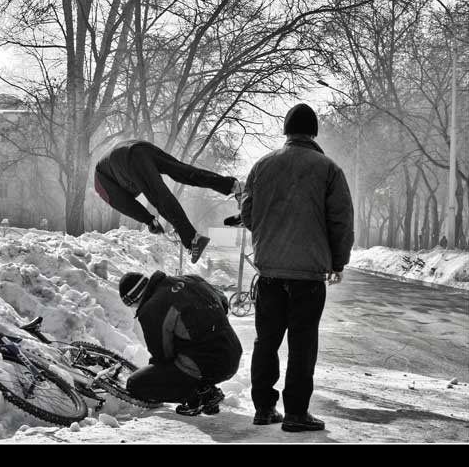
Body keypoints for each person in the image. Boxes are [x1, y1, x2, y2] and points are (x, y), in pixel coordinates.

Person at [239, 103, 354, 432]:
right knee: (302, 345)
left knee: (266, 341)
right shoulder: (329, 169)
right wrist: (338, 261)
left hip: (270, 274)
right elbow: (340, 220)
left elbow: (248, 213)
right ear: (314, 132)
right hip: (309, 277)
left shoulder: (262, 166)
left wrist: (268, 236)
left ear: (286, 131)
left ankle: (263, 409)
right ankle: (296, 414)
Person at [94, 139, 243, 263]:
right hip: (140, 146)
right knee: (184, 172)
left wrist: (148, 220)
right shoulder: (106, 169)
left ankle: (193, 239)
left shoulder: (101, 187)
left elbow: (125, 204)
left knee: (161, 198)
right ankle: (232, 186)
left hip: (129, 159)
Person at [120, 269, 243, 416]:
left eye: (132, 305)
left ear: (135, 298)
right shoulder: (191, 279)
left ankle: (198, 397)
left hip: (207, 365)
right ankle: (204, 388)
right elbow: (223, 301)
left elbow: (162, 356)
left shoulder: (151, 308)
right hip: (232, 351)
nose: (136, 309)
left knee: (135, 384)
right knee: (190, 349)